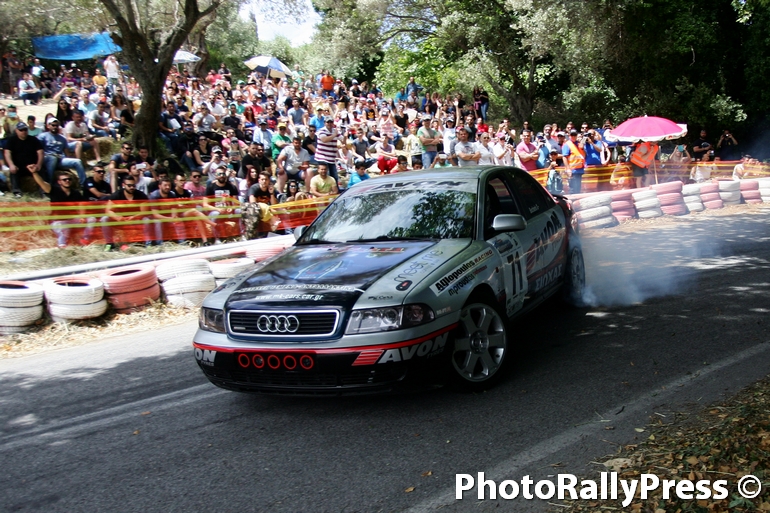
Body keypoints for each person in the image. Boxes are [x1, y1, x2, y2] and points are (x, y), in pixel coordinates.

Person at [29, 168, 95, 248]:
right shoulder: (53, 190)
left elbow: (82, 205)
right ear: (59, 182)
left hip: (72, 220)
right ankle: (62, 245)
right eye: (64, 180)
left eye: (69, 179)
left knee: (92, 219)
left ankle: (85, 239)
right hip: (58, 221)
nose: (67, 181)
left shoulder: (76, 193)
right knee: (64, 231)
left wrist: (82, 216)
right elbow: (42, 183)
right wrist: (34, 172)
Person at [101, 174, 154, 250]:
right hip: (120, 221)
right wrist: (117, 217)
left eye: (133, 185)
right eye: (129, 185)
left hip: (136, 221)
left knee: (147, 220)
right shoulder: (116, 195)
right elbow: (108, 210)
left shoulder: (141, 195)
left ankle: (148, 244)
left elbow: (144, 212)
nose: (132, 187)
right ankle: (109, 244)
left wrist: (134, 217)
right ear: (123, 185)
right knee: (105, 219)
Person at [38, 118, 87, 186]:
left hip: (60, 159)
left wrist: (67, 163)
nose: (55, 127)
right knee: (53, 158)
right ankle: (49, 184)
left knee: (78, 161)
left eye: (57, 125)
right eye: (53, 125)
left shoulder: (62, 138)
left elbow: (66, 152)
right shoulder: (43, 136)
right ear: (48, 126)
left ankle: (84, 184)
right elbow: (38, 150)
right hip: (47, 158)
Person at [3, 121, 44, 196]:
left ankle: (43, 191)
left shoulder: (34, 139)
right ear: (16, 131)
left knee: (42, 172)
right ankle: (17, 192)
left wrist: (39, 165)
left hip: (32, 166)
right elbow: (7, 153)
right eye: (21, 130)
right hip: (18, 167)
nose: (23, 132)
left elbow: (40, 152)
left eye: (25, 129)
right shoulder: (12, 140)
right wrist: (11, 165)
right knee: (13, 172)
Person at [203, 163, 240, 244]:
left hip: (229, 211)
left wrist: (232, 207)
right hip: (216, 211)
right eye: (219, 174)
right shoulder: (210, 187)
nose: (222, 175)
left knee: (240, 212)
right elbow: (205, 204)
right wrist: (218, 209)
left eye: (223, 173)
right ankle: (217, 239)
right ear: (216, 175)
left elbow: (236, 202)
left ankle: (243, 235)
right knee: (215, 214)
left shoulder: (231, 187)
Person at [562, 129, 586, 193]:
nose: (573, 136)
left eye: (574, 135)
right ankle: (572, 202)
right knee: (572, 190)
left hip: (579, 170)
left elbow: (584, 155)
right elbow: (564, 157)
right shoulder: (567, 144)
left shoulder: (579, 144)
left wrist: (582, 148)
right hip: (572, 171)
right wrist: (568, 169)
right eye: (572, 135)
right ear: (569, 135)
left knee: (578, 189)